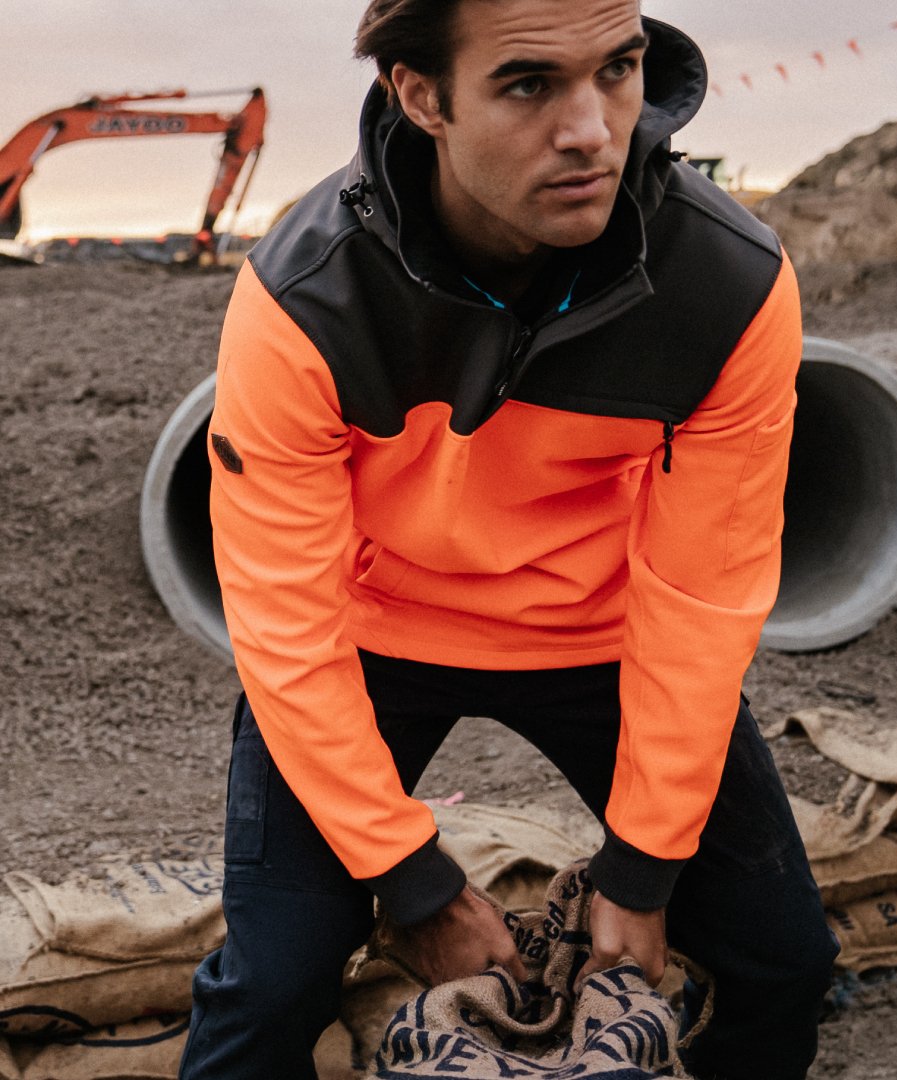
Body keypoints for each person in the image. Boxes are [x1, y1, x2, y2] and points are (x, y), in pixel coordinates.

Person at [179, 1, 839, 1077]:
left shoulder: (732, 286)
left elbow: (704, 597)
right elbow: (284, 623)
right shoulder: (303, 299)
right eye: (530, 85)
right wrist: (412, 879)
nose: (592, 129)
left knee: (785, 962)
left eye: (619, 69)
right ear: (421, 95)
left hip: (604, 635)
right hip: (374, 634)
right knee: (272, 984)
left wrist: (643, 868)